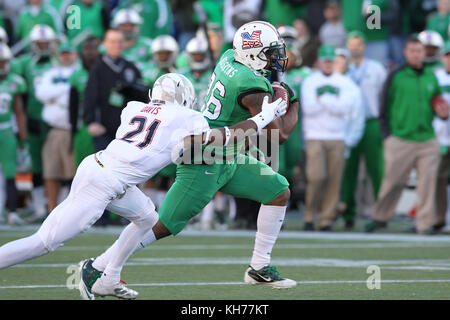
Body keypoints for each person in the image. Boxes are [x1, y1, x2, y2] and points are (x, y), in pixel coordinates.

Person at [0, 73, 287, 299]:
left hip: (103, 169)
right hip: (104, 183)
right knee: (44, 243)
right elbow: (223, 138)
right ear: (186, 99)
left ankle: (108, 277)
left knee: (148, 218)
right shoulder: (187, 117)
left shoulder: (134, 107)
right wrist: (263, 117)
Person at [366, 37, 449, 234]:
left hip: (427, 138)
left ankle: (424, 223)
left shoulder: (431, 75)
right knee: (393, 181)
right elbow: (383, 104)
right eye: (412, 50)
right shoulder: (396, 75)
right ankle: (380, 216)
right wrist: (388, 135)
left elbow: (436, 102)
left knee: (428, 182)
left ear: (423, 53)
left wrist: (443, 114)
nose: (416, 54)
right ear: (405, 52)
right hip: (401, 137)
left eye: (419, 50)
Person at [301, 44, 362, 231]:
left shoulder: (345, 83)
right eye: (325, 60)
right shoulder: (310, 81)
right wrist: (333, 104)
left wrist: (324, 101)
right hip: (315, 135)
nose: (328, 64)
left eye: (330, 61)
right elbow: (309, 107)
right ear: (319, 61)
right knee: (316, 177)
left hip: (338, 136)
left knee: (335, 180)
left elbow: (347, 108)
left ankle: (326, 219)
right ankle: (310, 214)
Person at [11, 24, 59, 221]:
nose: (42, 46)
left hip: (54, 122)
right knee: (36, 164)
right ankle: (40, 206)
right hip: (31, 118)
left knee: (55, 165)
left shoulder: (57, 62)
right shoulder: (24, 63)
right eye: (39, 42)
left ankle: (55, 205)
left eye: (45, 42)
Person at [340, 31, 387, 230]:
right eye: (352, 44)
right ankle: (348, 212)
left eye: (358, 44)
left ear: (364, 46)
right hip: (348, 123)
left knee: (377, 169)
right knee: (349, 170)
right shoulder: (343, 69)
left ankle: (382, 214)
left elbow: (385, 96)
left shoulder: (375, 68)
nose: (355, 47)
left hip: (371, 122)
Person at [35, 42, 79, 212]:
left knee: (74, 173)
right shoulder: (51, 73)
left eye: (69, 52)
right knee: (51, 172)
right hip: (54, 128)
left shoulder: (80, 72)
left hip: (74, 128)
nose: (66, 56)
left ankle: (71, 210)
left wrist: (56, 93)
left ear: (75, 54)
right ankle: (52, 208)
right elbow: (42, 94)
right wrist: (67, 88)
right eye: (63, 53)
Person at [0, 43, 28, 225]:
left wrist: (23, 140)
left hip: (6, 131)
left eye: (3, 62)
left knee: (10, 172)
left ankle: (12, 212)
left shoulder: (15, 81)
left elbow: (19, 112)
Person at [69, 36, 102, 167]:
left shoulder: (105, 70)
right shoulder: (77, 75)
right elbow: (73, 106)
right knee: (84, 165)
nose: (90, 52)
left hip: (106, 124)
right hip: (84, 125)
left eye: (93, 48)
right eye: (87, 48)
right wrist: (72, 131)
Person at [433, 41, 450, 231]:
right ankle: (438, 218)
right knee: (437, 179)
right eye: (448, 55)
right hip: (439, 137)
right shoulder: (434, 78)